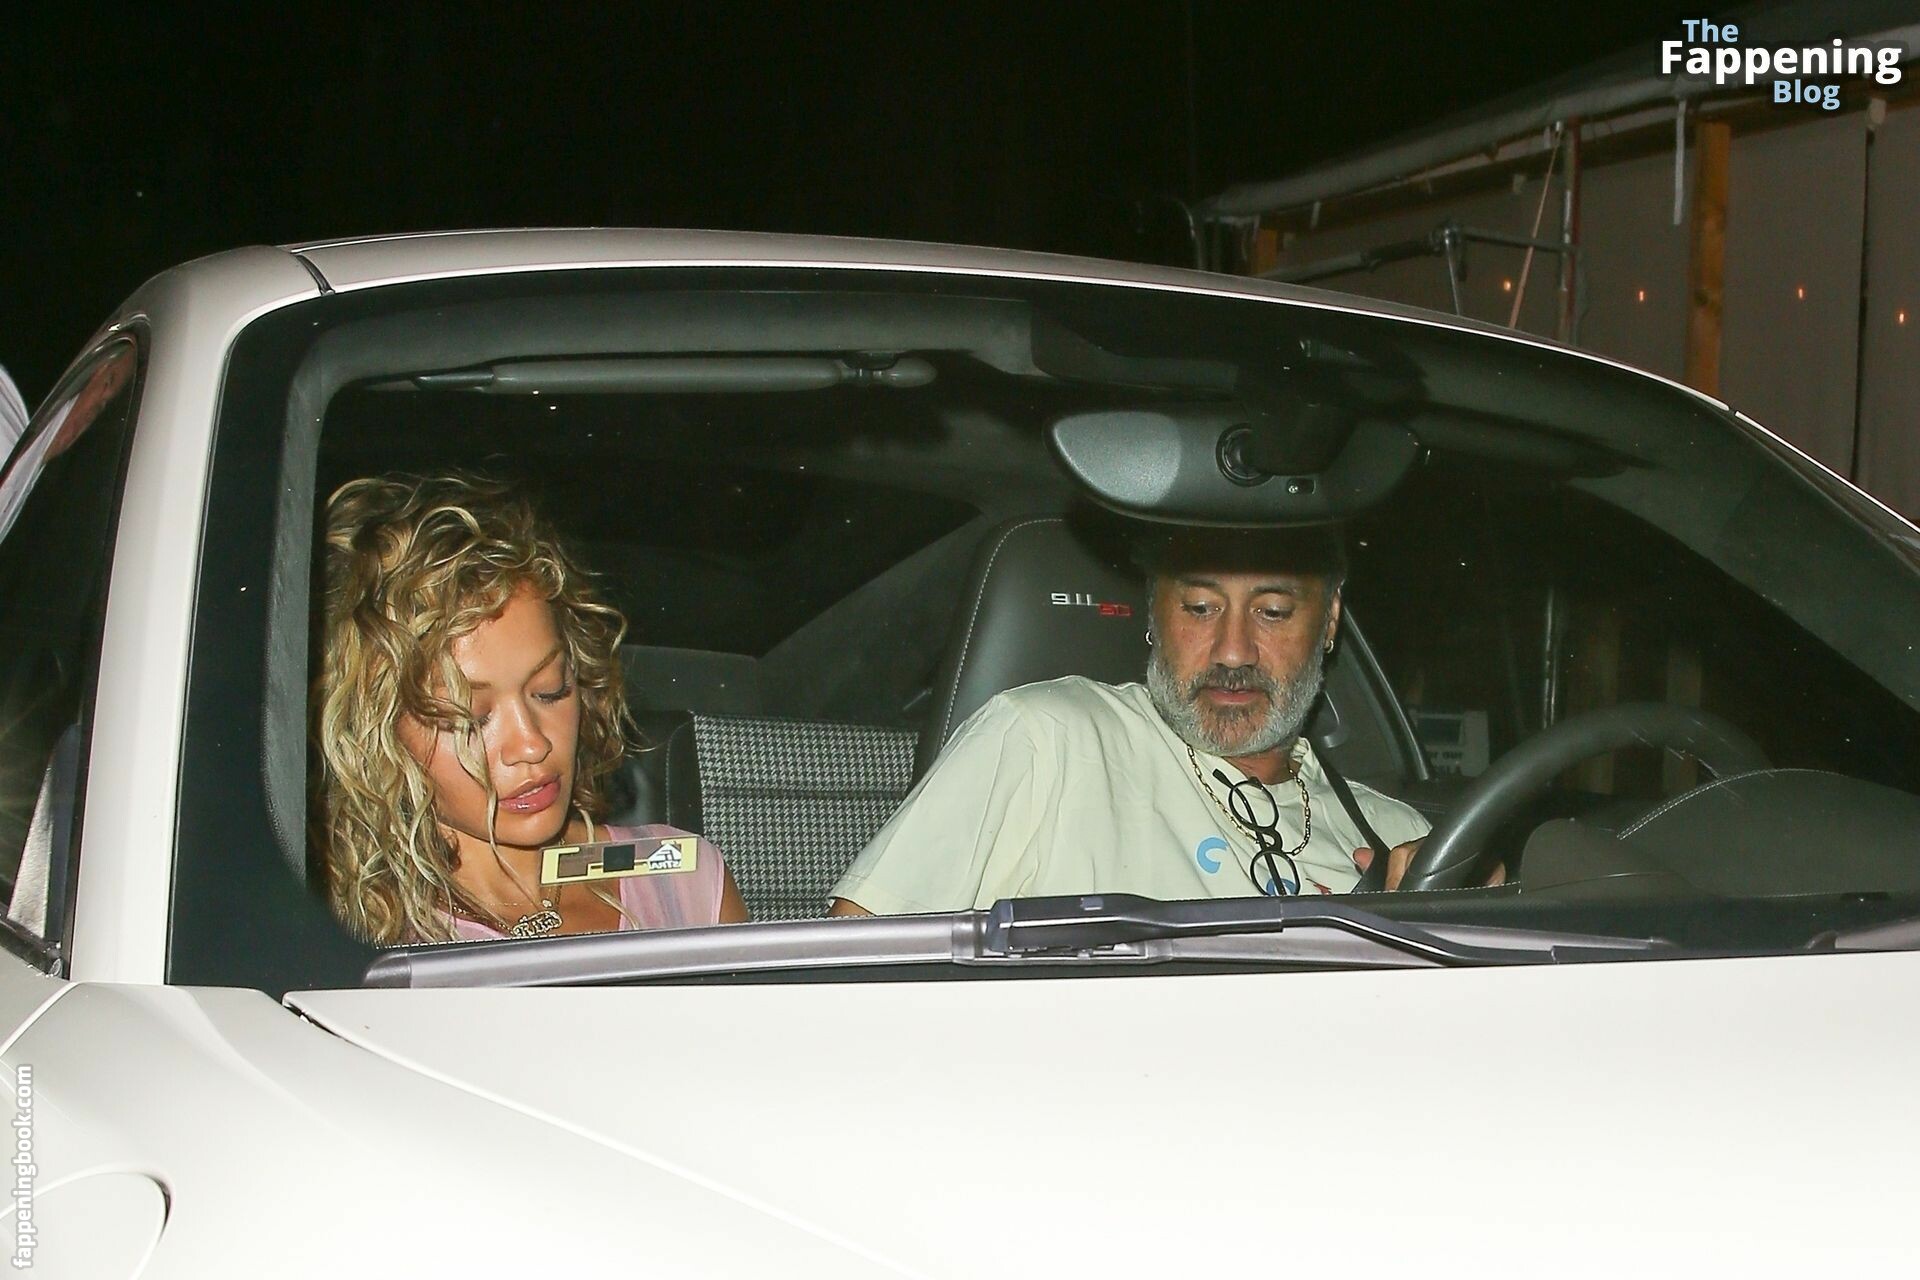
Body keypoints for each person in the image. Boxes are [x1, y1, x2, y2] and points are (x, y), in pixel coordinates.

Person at [830, 526, 1493, 915]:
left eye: (1272, 612)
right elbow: (845, 980)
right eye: (1201, 607)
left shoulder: (1411, 844)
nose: (1233, 651)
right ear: (1153, 614)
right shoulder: (1045, 741)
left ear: (1329, 622)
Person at [314, 471, 748, 944]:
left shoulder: (674, 872)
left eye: (550, 690)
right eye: (468, 718)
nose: (531, 744)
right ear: (372, 731)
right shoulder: (349, 932)